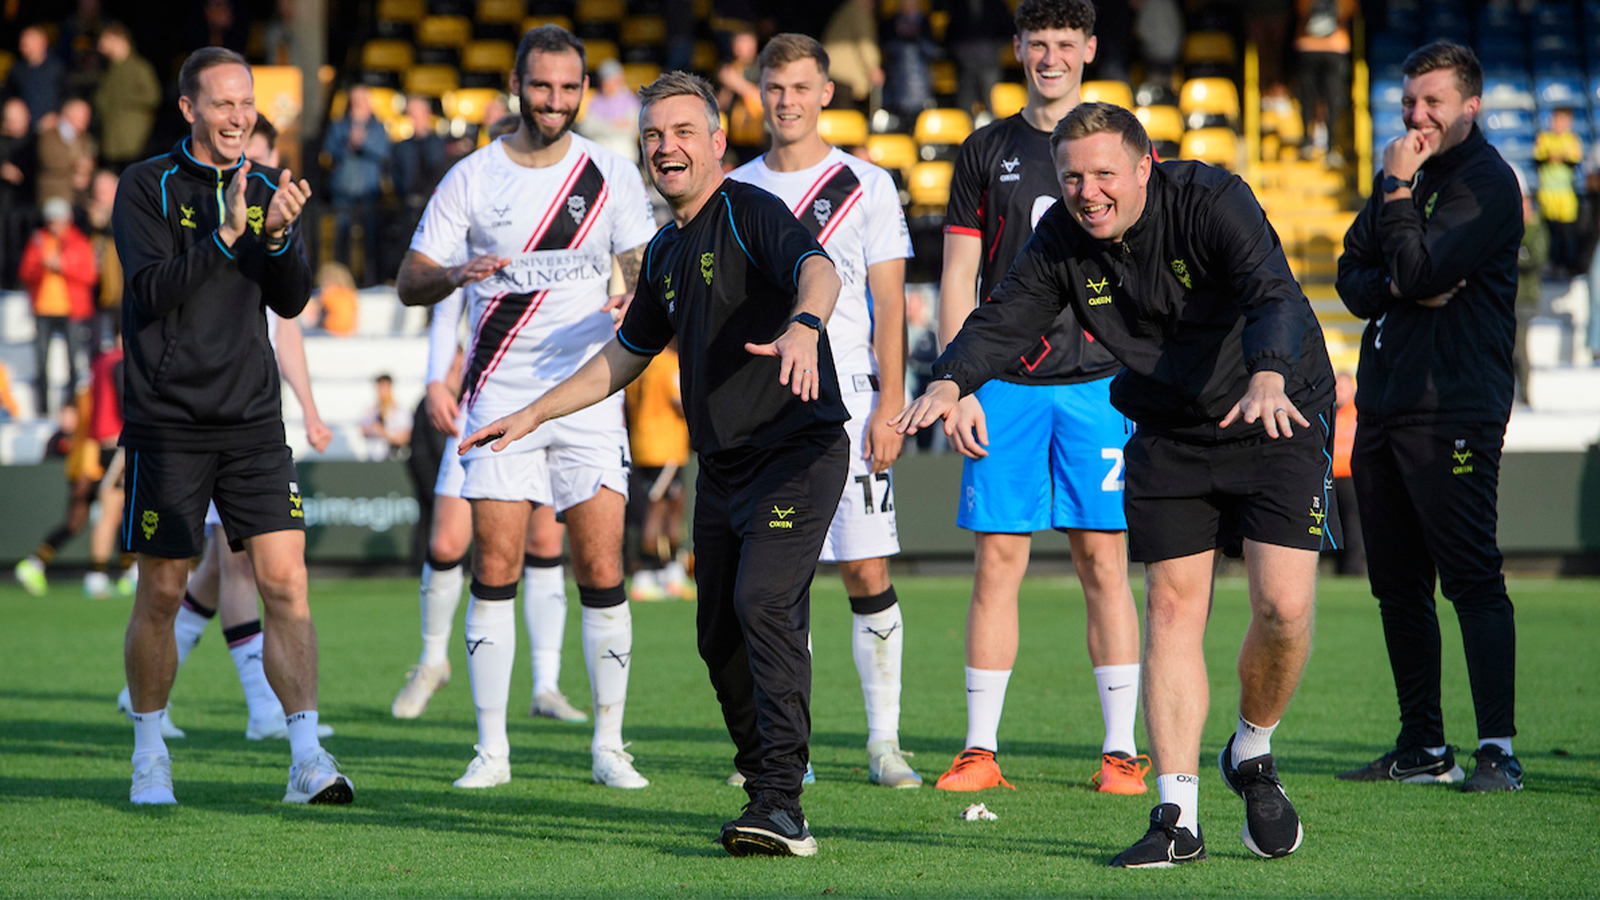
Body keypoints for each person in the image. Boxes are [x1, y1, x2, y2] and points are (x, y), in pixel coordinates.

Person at [896, 101, 1339, 867]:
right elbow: (1006, 318)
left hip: (1275, 406)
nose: (1087, 191)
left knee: (1284, 608)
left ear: (1144, 167)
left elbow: (1271, 291)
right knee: (1171, 609)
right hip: (1167, 428)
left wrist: (1268, 374)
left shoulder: (1210, 197)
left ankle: (1253, 752)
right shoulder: (1062, 240)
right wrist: (949, 381)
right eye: (1072, 176)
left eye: (1104, 173)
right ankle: (1177, 815)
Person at [461, 69, 848, 859]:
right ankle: (762, 783)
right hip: (726, 466)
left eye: (681, 133)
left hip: (795, 451)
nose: (666, 148)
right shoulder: (667, 249)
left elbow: (820, 268)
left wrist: (806, 325)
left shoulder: (750, 210)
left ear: (716, 141)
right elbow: (625, 355)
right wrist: (533, 412)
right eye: (652, 137)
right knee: (716, 634)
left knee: (763, 602)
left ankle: (783, 803)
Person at [395, 25, 656, 791]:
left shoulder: (609, 170)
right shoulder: (472, 178)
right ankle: (491, 751)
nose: (555, 101)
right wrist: (454, 273)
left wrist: (633, 294)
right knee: (497, 568)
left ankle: (609, 745)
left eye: (569, 88)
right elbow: (410, 279)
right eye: (542, 86)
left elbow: (644, 264)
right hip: (499, 400)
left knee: (602, 567)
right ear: (516, 83)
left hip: (589, 397)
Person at [113, 47, 348, 806]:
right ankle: (150, 753)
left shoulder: (267, 186)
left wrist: (276, 237)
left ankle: (307, 758)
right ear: (188, 109)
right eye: (222, 104)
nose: (238, 117)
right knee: (162, 591)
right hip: (169, 422)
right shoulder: (145, 186)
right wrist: (224, 233)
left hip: (253, 422)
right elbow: (149, 291)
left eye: (245, 103)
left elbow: (291, 302)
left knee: (287, 583)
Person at [932, 0, 1147, 798]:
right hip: (1008, 387)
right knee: (997, 564)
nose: (1050, 57)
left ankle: (1122, 753)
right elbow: (960, 277)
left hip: (1100, 387)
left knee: (1105, 562)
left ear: (1089, 47)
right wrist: (963, 384)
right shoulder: (986, 150)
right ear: (1018, 46)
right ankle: (979, 751)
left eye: (1066, 43)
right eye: (1038, 43)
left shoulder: (1117, 145)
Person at [726, 32, 921, 789]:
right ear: (760, 93)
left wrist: (893, 403)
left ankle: (884, 742)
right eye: (775, 89)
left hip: (850, 404)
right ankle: (786, 755)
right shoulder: (735, 188)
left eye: (801, 88)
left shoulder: (867, 184)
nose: (787, 102)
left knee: (866, 569)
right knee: (779, 588)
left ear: (825, 94)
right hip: (765, 417)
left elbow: (889, 302)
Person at [1334, 39, 1525, 793]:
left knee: (1471, 575)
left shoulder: (1487, 183)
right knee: (1397, 585)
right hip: (1383, 405)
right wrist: (1400, 280)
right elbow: (1355, 276)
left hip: (1454, 406)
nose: (1415, 116)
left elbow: (1411, 266)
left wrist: (1399, 218)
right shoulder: (1399, 178)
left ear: (1470, 107)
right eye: (1409, 102)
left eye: (1432, 103)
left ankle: (1498, 751)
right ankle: (1422, 746)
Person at [392, 294, 588, 727]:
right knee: (446, 541)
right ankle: (432, 661)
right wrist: (435, 381)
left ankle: (546, 685)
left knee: (543, 540)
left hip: (552, 393)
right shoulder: (481, 231)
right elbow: (447, 304)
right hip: (485, 397)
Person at [623, 346, 694, 602]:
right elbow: (679, 404)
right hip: (666, 447)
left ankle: (668, 572)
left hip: (641, 444)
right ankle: (651, 574)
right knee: (662, 510)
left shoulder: (637, 362)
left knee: (664, 505)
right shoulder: (668, 362)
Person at [22, 196, 96, 416]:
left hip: (71, 311)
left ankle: (71, 409)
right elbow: (25, 272)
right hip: (43, 309)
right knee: (41, 363)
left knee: (73, 363)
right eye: (52, 221)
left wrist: (63, 266)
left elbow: (90, 275)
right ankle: (43, 409)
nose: (55, 226)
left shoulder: (79, 242)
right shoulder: (38, 241)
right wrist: (41, 265)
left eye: (59, 221)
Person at [323, 84, 390, 286]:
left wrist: (363, 143)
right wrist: (348, 141)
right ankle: (341, 283)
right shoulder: (339, 126)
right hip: (344, 190)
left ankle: (372, 282)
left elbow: (385, 152)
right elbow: (329, 153)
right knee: (341, 241)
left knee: (371, 241)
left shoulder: (378, 127)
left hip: (369, 191)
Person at [1294, 0, 1356, 165]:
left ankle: (1309, 142)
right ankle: (1329, 147)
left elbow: (1301, 12)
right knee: (1330, 98)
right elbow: (1348, 13)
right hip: (1333, 47)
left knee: (1310, 96)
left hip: (1309, 46)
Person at [93, 22, 162, 170]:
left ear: (118, 39)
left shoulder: (139, 67)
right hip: (111, 142)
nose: (100, 45)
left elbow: (153, 97)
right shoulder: (108, 70)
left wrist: (126, 99)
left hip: (133, 142)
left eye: (105, 39)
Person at [1533, 106, 1582, 277]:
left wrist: (1557, 156)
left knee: (1567, 234)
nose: (1559, 124)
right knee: (1550, 234)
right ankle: (1552, 266)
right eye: (1556, 120)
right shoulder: (1544, 138)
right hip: (1548, 195)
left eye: (1563, 120)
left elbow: (1573, 160)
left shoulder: (1572, 140)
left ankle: (1568, 267)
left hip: (1565, 196)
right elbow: (1540, 158)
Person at [1515, 180, 1548, 404]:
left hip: (1525, 298)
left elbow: (1534, 258)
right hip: (1512, 297)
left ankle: (1525, 395)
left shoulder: (1535, 230)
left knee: (1518, 348)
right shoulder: (1515, 228)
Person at [821, 0, 882, 115]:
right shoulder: (858, 10)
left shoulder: (847, 9)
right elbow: (865, 42)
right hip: (842, 78)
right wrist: (873, 68)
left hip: (833, 73)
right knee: (843, 121)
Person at [577, 59, 642, 163]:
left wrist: (603, 126)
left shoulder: (630, 100)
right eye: (605, 81)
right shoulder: (594, 100)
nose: (608, 85)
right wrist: (614, 125)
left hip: (624, 153)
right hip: (599, 152)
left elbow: (632, 129)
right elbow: (586, 128)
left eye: (612, 81)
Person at [36, 98, 95, 207]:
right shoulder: (49, 135)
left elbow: (89, 158)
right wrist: (77, 164)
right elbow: (51, 161)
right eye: (84, 115)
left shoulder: (85, 138)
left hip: (78, 197)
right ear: (69, 114)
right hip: (55, 195)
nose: (87, 119)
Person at [4, 26, 66, 126]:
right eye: (22, 43)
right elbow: (8, 96)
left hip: (52, 127)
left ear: (42, 42)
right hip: (24, 128)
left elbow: (67, 96)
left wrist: (57, 115)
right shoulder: (17, 70)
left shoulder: (58, 68)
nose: (22, 48)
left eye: (26, 43)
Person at [361, 373, 411, 460]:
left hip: (394, 458)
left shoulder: (400, 411)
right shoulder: (372, 410)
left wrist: (382, 432)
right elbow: (363, 430)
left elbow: (405, 437)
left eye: (383, 387)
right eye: (379, 388)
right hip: (373, 458)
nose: (380, 392)